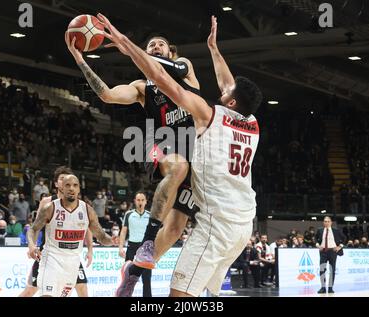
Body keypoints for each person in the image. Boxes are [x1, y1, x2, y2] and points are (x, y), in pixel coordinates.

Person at [102, 14, 262, 297]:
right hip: (243, 222)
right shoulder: (252, 124)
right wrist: (213, 48)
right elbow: (227, 85)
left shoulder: (210, 114)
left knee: (180, 295)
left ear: (232, 101)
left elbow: (163, 78)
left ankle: (140, 260)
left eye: (228, 92)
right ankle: (136, 268)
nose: (223, 90)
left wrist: (126, 44)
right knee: (197, 279)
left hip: (217, 223)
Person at [66, 23, 201, 278]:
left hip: (196, 150)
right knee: (179, 166)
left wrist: (131, 48)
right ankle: (148, 240)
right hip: (161, 144)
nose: (155, 47)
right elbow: (107, 95)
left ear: (171, 51)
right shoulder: (142, 87)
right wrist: (80, 60)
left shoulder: (184, 68)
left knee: (174, 229)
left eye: (160, 44)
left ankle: (134, 272)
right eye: (151, 45)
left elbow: (169, 67)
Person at [27, 175, 115, 297]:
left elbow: (101, 236)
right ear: (61, 188)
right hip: (51, 259)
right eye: (67, 185)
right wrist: (31, 245)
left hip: (73, 263)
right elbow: (33, 229)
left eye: (75, 185)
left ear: (79, 189)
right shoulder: (50, 208)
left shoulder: (87, 210)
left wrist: (113, 240)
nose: (71, 188)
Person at [19, 167, 94, 297]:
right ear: (56, 184)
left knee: (82, 288)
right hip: (49, 253)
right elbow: (36, 227)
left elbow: (87, 228)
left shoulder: (79, 204)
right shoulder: (47, 202)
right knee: (30, 290)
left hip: (71, 255)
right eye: (62, 179)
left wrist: (90, 250)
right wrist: (32, 245)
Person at [117, 192, 152, 297]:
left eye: (142, 200)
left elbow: (154, 235)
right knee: (128, 279)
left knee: (146, 279)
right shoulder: (129, 214)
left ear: (146, 202)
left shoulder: (150, 215)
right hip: (132, 248)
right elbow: (123, 232)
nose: (140, 202)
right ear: (135, 201)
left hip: (145, 249)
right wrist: (120, 248)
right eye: (138, 200)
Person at [315, 216, 346, 294]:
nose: (327, 223)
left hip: (332, 251)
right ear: (323, 222)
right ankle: (323, 287)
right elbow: (315, 239)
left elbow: (345, 238)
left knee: (332, 270)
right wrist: (317, 245)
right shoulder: (320, 230)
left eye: (328, 221)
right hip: (323, 252)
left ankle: (330, 287)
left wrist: (340, 246)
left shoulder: (336, 230)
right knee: (322, 269)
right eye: (325, 221)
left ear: (331, 222)